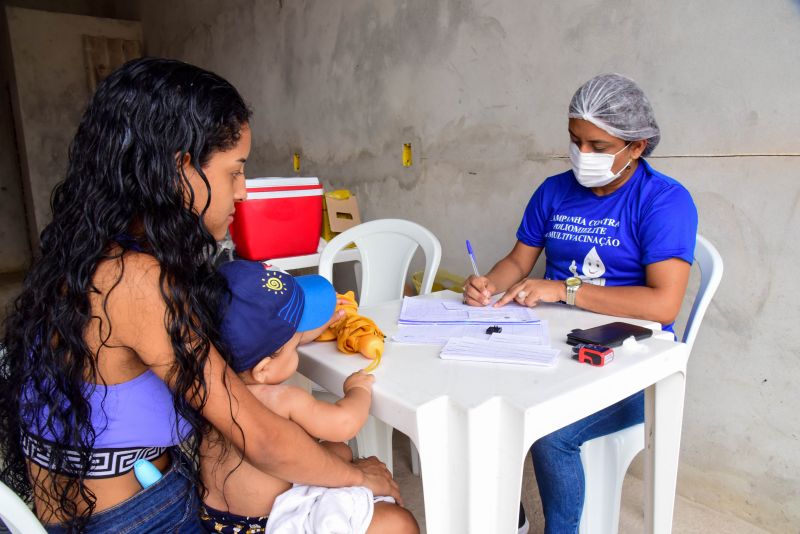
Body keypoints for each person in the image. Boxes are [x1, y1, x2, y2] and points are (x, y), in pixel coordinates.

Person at [0, 57, 401, 533]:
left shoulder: (87, 255)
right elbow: (261, 438)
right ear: (180, 169)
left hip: (95, 508)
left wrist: (313, 326)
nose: (244, 191)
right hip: (137, 520)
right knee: (387, 519)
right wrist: (355, 477)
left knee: (315, 461)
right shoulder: (138, 280)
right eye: (234, 172)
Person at [463, 73, 698, 534]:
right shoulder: (554, 190)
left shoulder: (664, 201)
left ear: (637, 146)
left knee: (552, 435)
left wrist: (564, 289)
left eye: (597, 145)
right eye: (575, 142)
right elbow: (518, 260)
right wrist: (487, 284)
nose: (582, 156)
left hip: (632, 366)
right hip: (552, 344)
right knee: (477, 394)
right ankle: (511, 518)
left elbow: (664, 305)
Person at [199, 260, 418, 533]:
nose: (300, 342)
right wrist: (357, 389)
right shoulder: (280, 398)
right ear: (264, 369)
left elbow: (279, 344)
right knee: (400, 523)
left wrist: (322, 324)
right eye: (294, 345)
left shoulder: (211, 390)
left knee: (341, 451)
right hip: (266, 524)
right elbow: (344, 423)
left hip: (219, 519)